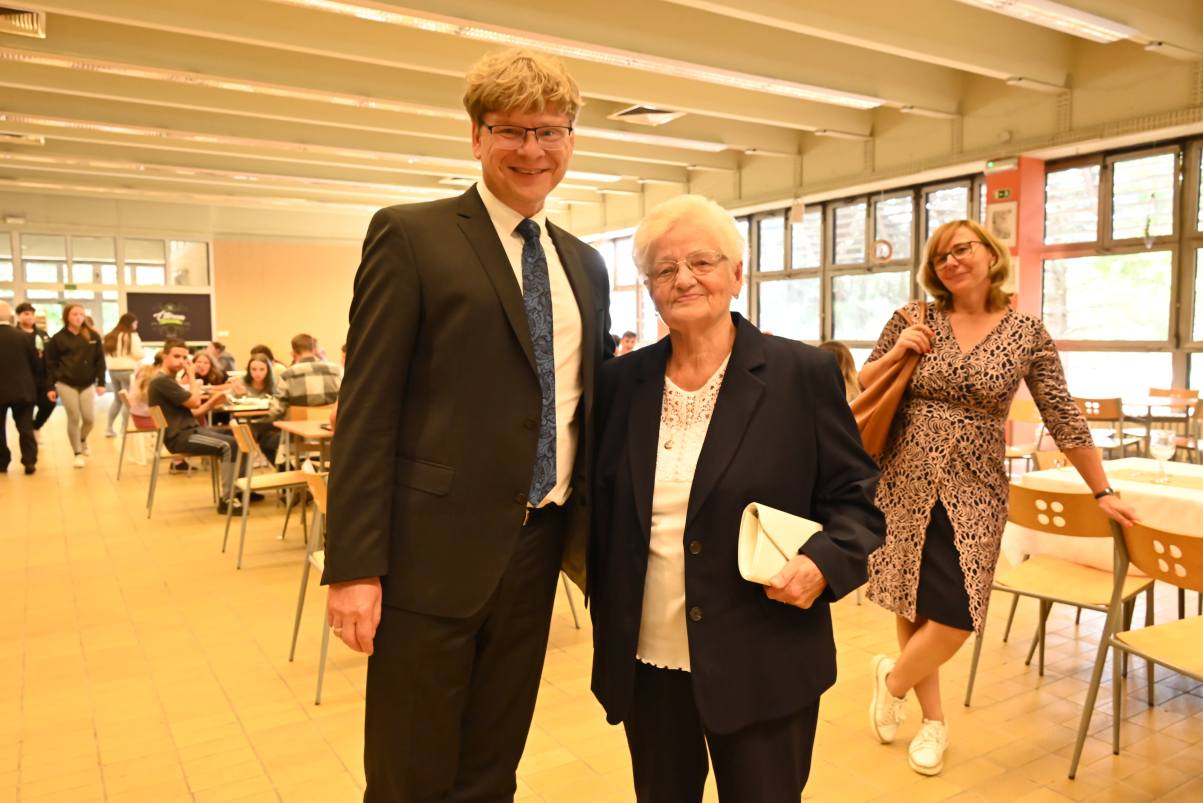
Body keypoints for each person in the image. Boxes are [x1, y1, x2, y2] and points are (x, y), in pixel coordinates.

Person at [321, 48, 611, 801]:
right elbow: (368, 409)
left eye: (550, 131)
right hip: (429, 554)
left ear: (571, 139)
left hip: (539, 545)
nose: (531, 150)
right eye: (510, 130)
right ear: (476, 136)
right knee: (410, 769)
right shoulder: (412, 236)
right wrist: (354, 565)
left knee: (493, 761)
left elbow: (587, 399)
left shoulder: (585, 264)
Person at [590, 195, 883, 802]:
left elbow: (857, 501)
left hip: (763, 654)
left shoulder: (800, 375)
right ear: (649, 288)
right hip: (647, 658)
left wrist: (823, 564)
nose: (684, 279)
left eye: (702, 262)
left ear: (737, 274)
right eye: (665, 269)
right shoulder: (621, 383)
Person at [861, 219, 1138, 777]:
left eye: (961, 249)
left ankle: (892, 680)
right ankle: (933, 723)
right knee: (914, 600)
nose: (951, 262)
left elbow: (1062, 413)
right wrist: (899, 353)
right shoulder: (913, 318)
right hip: (904, 476)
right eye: (940, 257)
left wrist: (1101, 488)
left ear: (991, 254)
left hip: (978, 485)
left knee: (961, 611)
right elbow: (865, 381)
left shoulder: (1026, 332)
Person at [148, 338, 245, 514]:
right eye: (176, 356)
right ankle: (228, 499)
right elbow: (194, 402)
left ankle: (240, 490)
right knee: (229, 445)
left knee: (237, 436)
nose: (181, 361)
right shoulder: (161, 381)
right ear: (164, 356)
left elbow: (193, 412)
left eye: (184, 358)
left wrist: (213, 401)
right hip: (179, 437)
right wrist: (192, 376)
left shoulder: (168, 380)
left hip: (189, 430)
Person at [44, 303, 106, 468]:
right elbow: (50, 364)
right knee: (73, 416)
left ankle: (82, 438)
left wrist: (101, 382)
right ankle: (77, 453)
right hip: (66, 383)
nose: (79, 317)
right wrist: (50, 387)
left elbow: (100, 361)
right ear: (67, 317)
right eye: (75, 314)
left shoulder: (92, 335)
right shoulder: (58, 338)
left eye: (81, 314)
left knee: (89, 419)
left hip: (87, 383)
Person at [0, 301, 42, 475]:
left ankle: (2, 461)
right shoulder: (23, 337)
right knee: (25, 427)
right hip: (23, 389)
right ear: (10, 316)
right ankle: (29, 460)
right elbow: (36, 364)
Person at [267, 333, 341, 421]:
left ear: (293, 353)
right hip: (330, 426)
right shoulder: (335, 370)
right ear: (314, 350)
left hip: (297, 428)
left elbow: (276, 411)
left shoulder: (288, 374)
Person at [102, 313, 146, 437]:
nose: (136, 326)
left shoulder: (110, 336)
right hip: (128, 371)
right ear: (131, 323)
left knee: (117, 399)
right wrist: (143, 351)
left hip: (113, 371)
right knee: (128, 400)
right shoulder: (132, 336)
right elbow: (138, 354)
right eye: (135, 323)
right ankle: (125, 429)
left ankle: (109, 428)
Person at [15, 302, 54, 437]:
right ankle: (29, 436)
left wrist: (50, 383)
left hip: (42, 380)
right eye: (26, 314)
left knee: (49, 404)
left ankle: (36, 426)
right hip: (23, 382)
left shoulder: (42, 334)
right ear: (18, 316)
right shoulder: (15, 334)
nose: (30, 316)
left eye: (32, 313)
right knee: (26, 411)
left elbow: (49, 358)